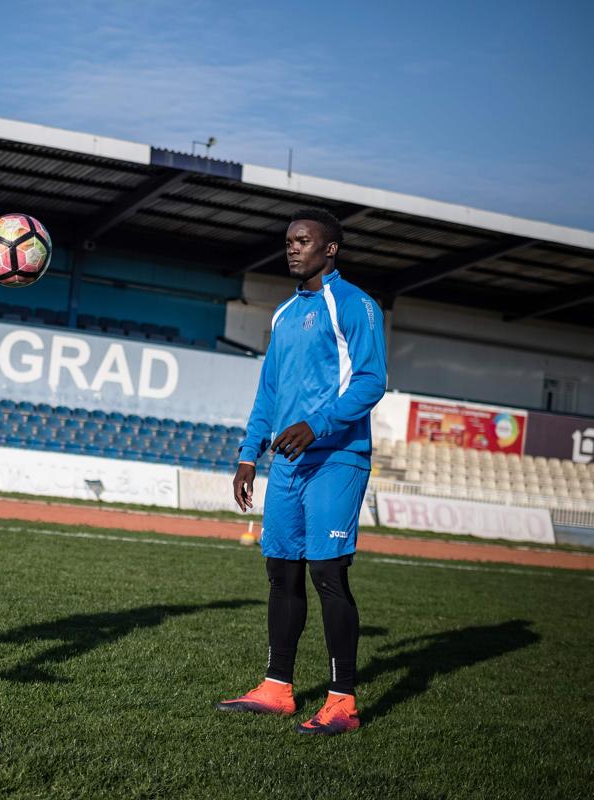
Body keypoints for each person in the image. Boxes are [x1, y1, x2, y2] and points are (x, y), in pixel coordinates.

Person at [218, 208, 386, 735]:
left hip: (337, 457)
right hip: (287, 463)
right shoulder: (284, 314)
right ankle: (277, 687)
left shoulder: (355, 305)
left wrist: (317, 424)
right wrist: (249, 454)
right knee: (281, 573)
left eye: (303, 241)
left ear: (329, 249)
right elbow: (268, 391)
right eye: (288, 240)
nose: (292, 248)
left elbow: (371, 380)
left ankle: (342, 703)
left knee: (327, 574)